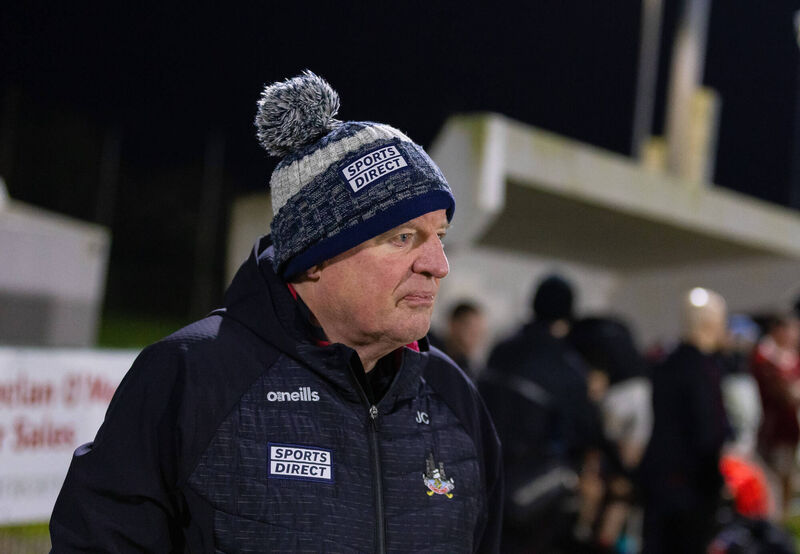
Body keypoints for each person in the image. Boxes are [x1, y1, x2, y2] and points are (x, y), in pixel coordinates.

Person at [49, 71, 503, 553]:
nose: (438, 265)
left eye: (441, 237)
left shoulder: (456, 397)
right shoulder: (189, 378)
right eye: (403, 237)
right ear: (315, 258)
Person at [479, 274, 598, 553]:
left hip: (485, 476)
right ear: (568, 314)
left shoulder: (501, 349)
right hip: (534, 493)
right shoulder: (567, 365)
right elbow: (584, 430)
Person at [640, 287, 730, 554]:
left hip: (659, 481)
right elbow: (708, 433)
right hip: (690, 488)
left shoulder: (665, 364)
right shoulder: (704, 370)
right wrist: (715, 482)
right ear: (711, 324)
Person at [750, 312, 800, 521]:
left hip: (792, 428)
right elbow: (784, 394)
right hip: (776, 430)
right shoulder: (765, 358)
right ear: (779, 331)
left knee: (790, 478)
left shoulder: (791, 356)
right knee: (777, 480)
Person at [431, 300, 488, 379]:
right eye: (471, 331)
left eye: (479, 334)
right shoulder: (428, 348)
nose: (475, 339)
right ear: (453, 325)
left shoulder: (467, 371)